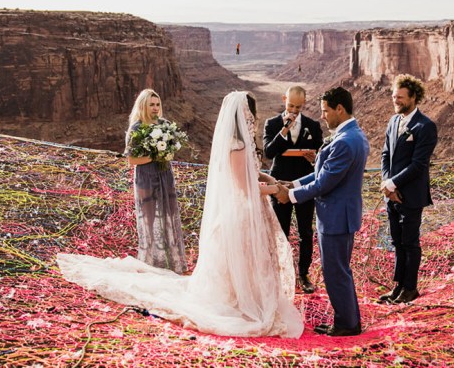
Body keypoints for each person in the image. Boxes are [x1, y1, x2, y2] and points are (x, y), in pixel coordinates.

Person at [57, 91, 304, 338]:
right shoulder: (237, 146)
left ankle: (247, 296)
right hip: (240, 212)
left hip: (246, 210)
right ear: (247, 114)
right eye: (252, 112)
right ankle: (241, 300)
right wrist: (276, 190)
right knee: (240, 259)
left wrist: (270, 179)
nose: (255, 117)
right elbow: (245, 188)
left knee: (248, 259)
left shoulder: (242, 143)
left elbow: (251, 175)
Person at [275, 87, 368, 337]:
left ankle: (347, 324)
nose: (323, 116)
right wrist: (293, 184)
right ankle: (347, 319)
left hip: (337, 217)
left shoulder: (346, 142)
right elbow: (320, 174)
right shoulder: (350, 135)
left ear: (340, 109)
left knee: (336, 272)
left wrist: (290, 196)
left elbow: (324, 183)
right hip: (339, 215)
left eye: (326, 111)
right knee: (338, 270)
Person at [378, 74, 438, 305]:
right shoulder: (394, 122)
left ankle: (410, 288)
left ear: (414, 97)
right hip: (391, 195)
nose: (397, 101)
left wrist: (393, 184)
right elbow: (385, 154)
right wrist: (386, 183)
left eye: (401, 98)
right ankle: (398, 286)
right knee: (397, 242)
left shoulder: (425, 126)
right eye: (394, 97)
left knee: (410, 243)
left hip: (411, 196)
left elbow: (419, 164)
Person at [263, 86, 323, 294]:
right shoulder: (272, 124)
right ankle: (281, 273)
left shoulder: (313, 126)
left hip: (305, 186)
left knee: (306, 232)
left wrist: (313, 156)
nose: (294, 111)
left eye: (298, 107)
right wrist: (284, 130)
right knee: (281, 231)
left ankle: (304, 274)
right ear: (284, 100)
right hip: (280, 184)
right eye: (290, 106)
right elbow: (269, 152)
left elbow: (321, 153)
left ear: (304, 104)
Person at [125, 89, 187, 274]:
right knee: (149, 219)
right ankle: (149, 263)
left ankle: (171, 261)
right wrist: (155, 156)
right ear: (143, 106)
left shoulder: (165, 125)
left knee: (169, 215)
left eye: (157, 104)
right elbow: (132, 160)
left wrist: (167, 153)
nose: (155, 108)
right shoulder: (136, 128)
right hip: (146, 177)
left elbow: (170, 152)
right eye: (151, 104)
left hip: (164, 175)